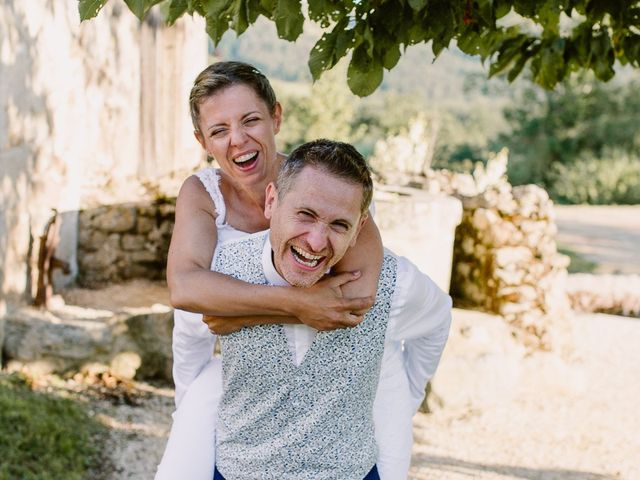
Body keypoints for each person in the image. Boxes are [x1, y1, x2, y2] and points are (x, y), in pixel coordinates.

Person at [156, 62, 449, 479]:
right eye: (219, 130)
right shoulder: (201, 193)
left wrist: (237, 313)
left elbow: (362, 293)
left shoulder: (325, 183)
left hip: (342, 360)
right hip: (244, 365)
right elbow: (186, 291)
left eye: (250, 120)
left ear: (276, 117)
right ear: (202, 140)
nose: (237, 139)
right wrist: (295, 303)